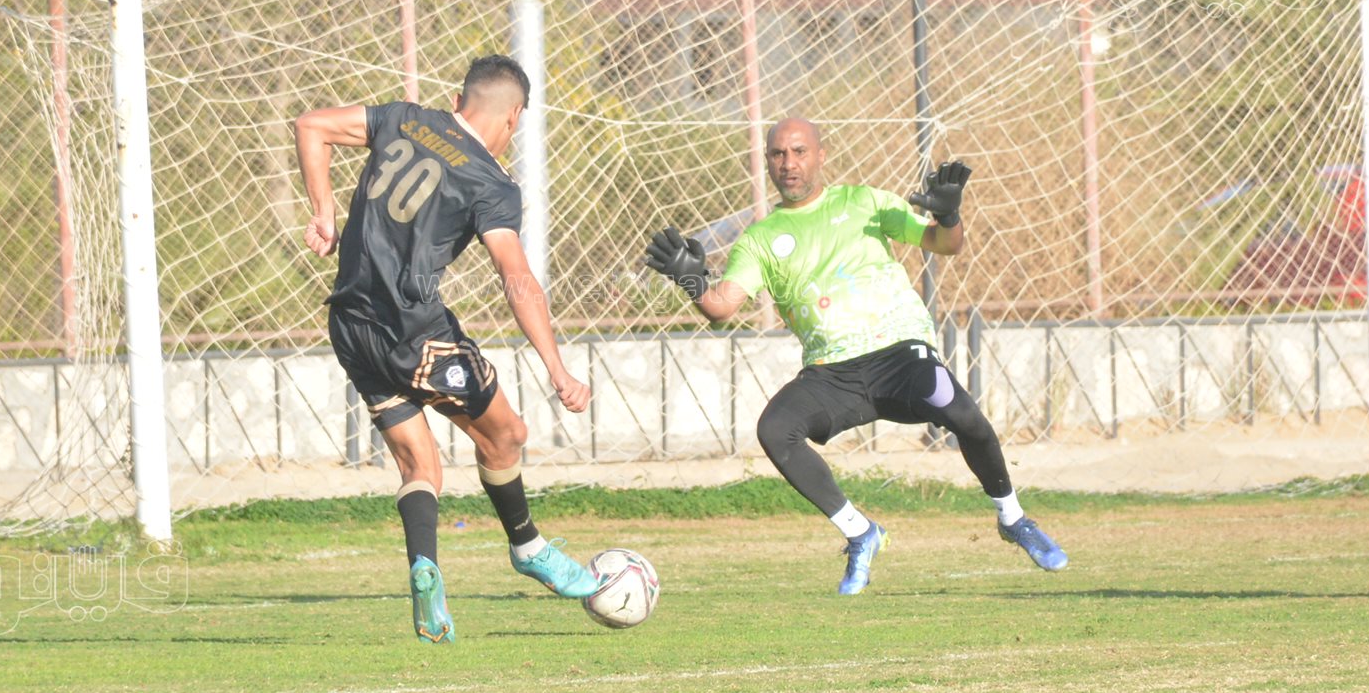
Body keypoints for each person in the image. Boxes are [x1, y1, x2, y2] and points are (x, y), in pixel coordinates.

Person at [644, 119, 1067, 595]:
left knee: (962, 413)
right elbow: (721, 307)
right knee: (775, 430)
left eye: (799, 151)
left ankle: (1013, 518)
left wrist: (949, 216)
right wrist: (690, 278)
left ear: (821, 155)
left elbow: (944, 244)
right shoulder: (760, 239)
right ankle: (861, 532)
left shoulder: (865, 202)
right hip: (832, 373)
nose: (789, 163)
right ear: (767, 161)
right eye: (778, 154)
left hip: (900, 354)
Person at [296, 55, 599, 643]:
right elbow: (516, 277)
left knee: (420, 466)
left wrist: (324, 213)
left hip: (350, 324)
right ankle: (528, 546)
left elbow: (311, 125)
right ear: (513, 117)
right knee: (506, 436)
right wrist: (557, 367)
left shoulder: (404, 119)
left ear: (459, 101)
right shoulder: (492, 184)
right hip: (417, 335)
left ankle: (424, 567)